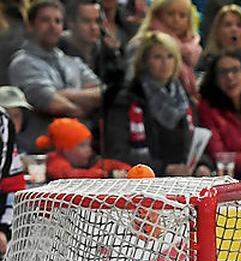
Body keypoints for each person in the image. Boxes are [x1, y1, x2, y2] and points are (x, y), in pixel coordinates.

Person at [9, 0, 102, 152]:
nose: (53, 26)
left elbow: (101, 92)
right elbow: (48, 101)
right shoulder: (22, 62)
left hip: (80, 152)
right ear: (30, 25)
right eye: (45, 20)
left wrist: (63, 94)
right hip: (40, 151)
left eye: (57, 21)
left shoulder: (73, 62)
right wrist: (81, 111)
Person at [107, 30, 200, 175]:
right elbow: (118, 151)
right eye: (157, 57)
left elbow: (198, 142)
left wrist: (202, 165)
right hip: (145, 180)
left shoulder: (184, 100)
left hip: (184, 178)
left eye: (170, 57)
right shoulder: (128, 99)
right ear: (144, 61)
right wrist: (164, 169)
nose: (165, 63)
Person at [128, 0, 203, 99]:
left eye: (182, 15)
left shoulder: (191, 49)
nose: (176, 19)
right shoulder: (142, 43)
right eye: (170, 14)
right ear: (158, 15)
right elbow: (130, 81)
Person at [37, 117, 131, 179]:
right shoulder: (54, 160)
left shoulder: (88, 160)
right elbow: (69, 174)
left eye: (88, 145)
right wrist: (107, 175)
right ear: (65, 149)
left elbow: (107, 164)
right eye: (82, 145)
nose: (88, 149)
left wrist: (128, 171)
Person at [0, 87, 30, 257]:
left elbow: (14, 189)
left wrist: (3, 229)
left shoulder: (3, 125)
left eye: (17, 116)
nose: (12, 120)